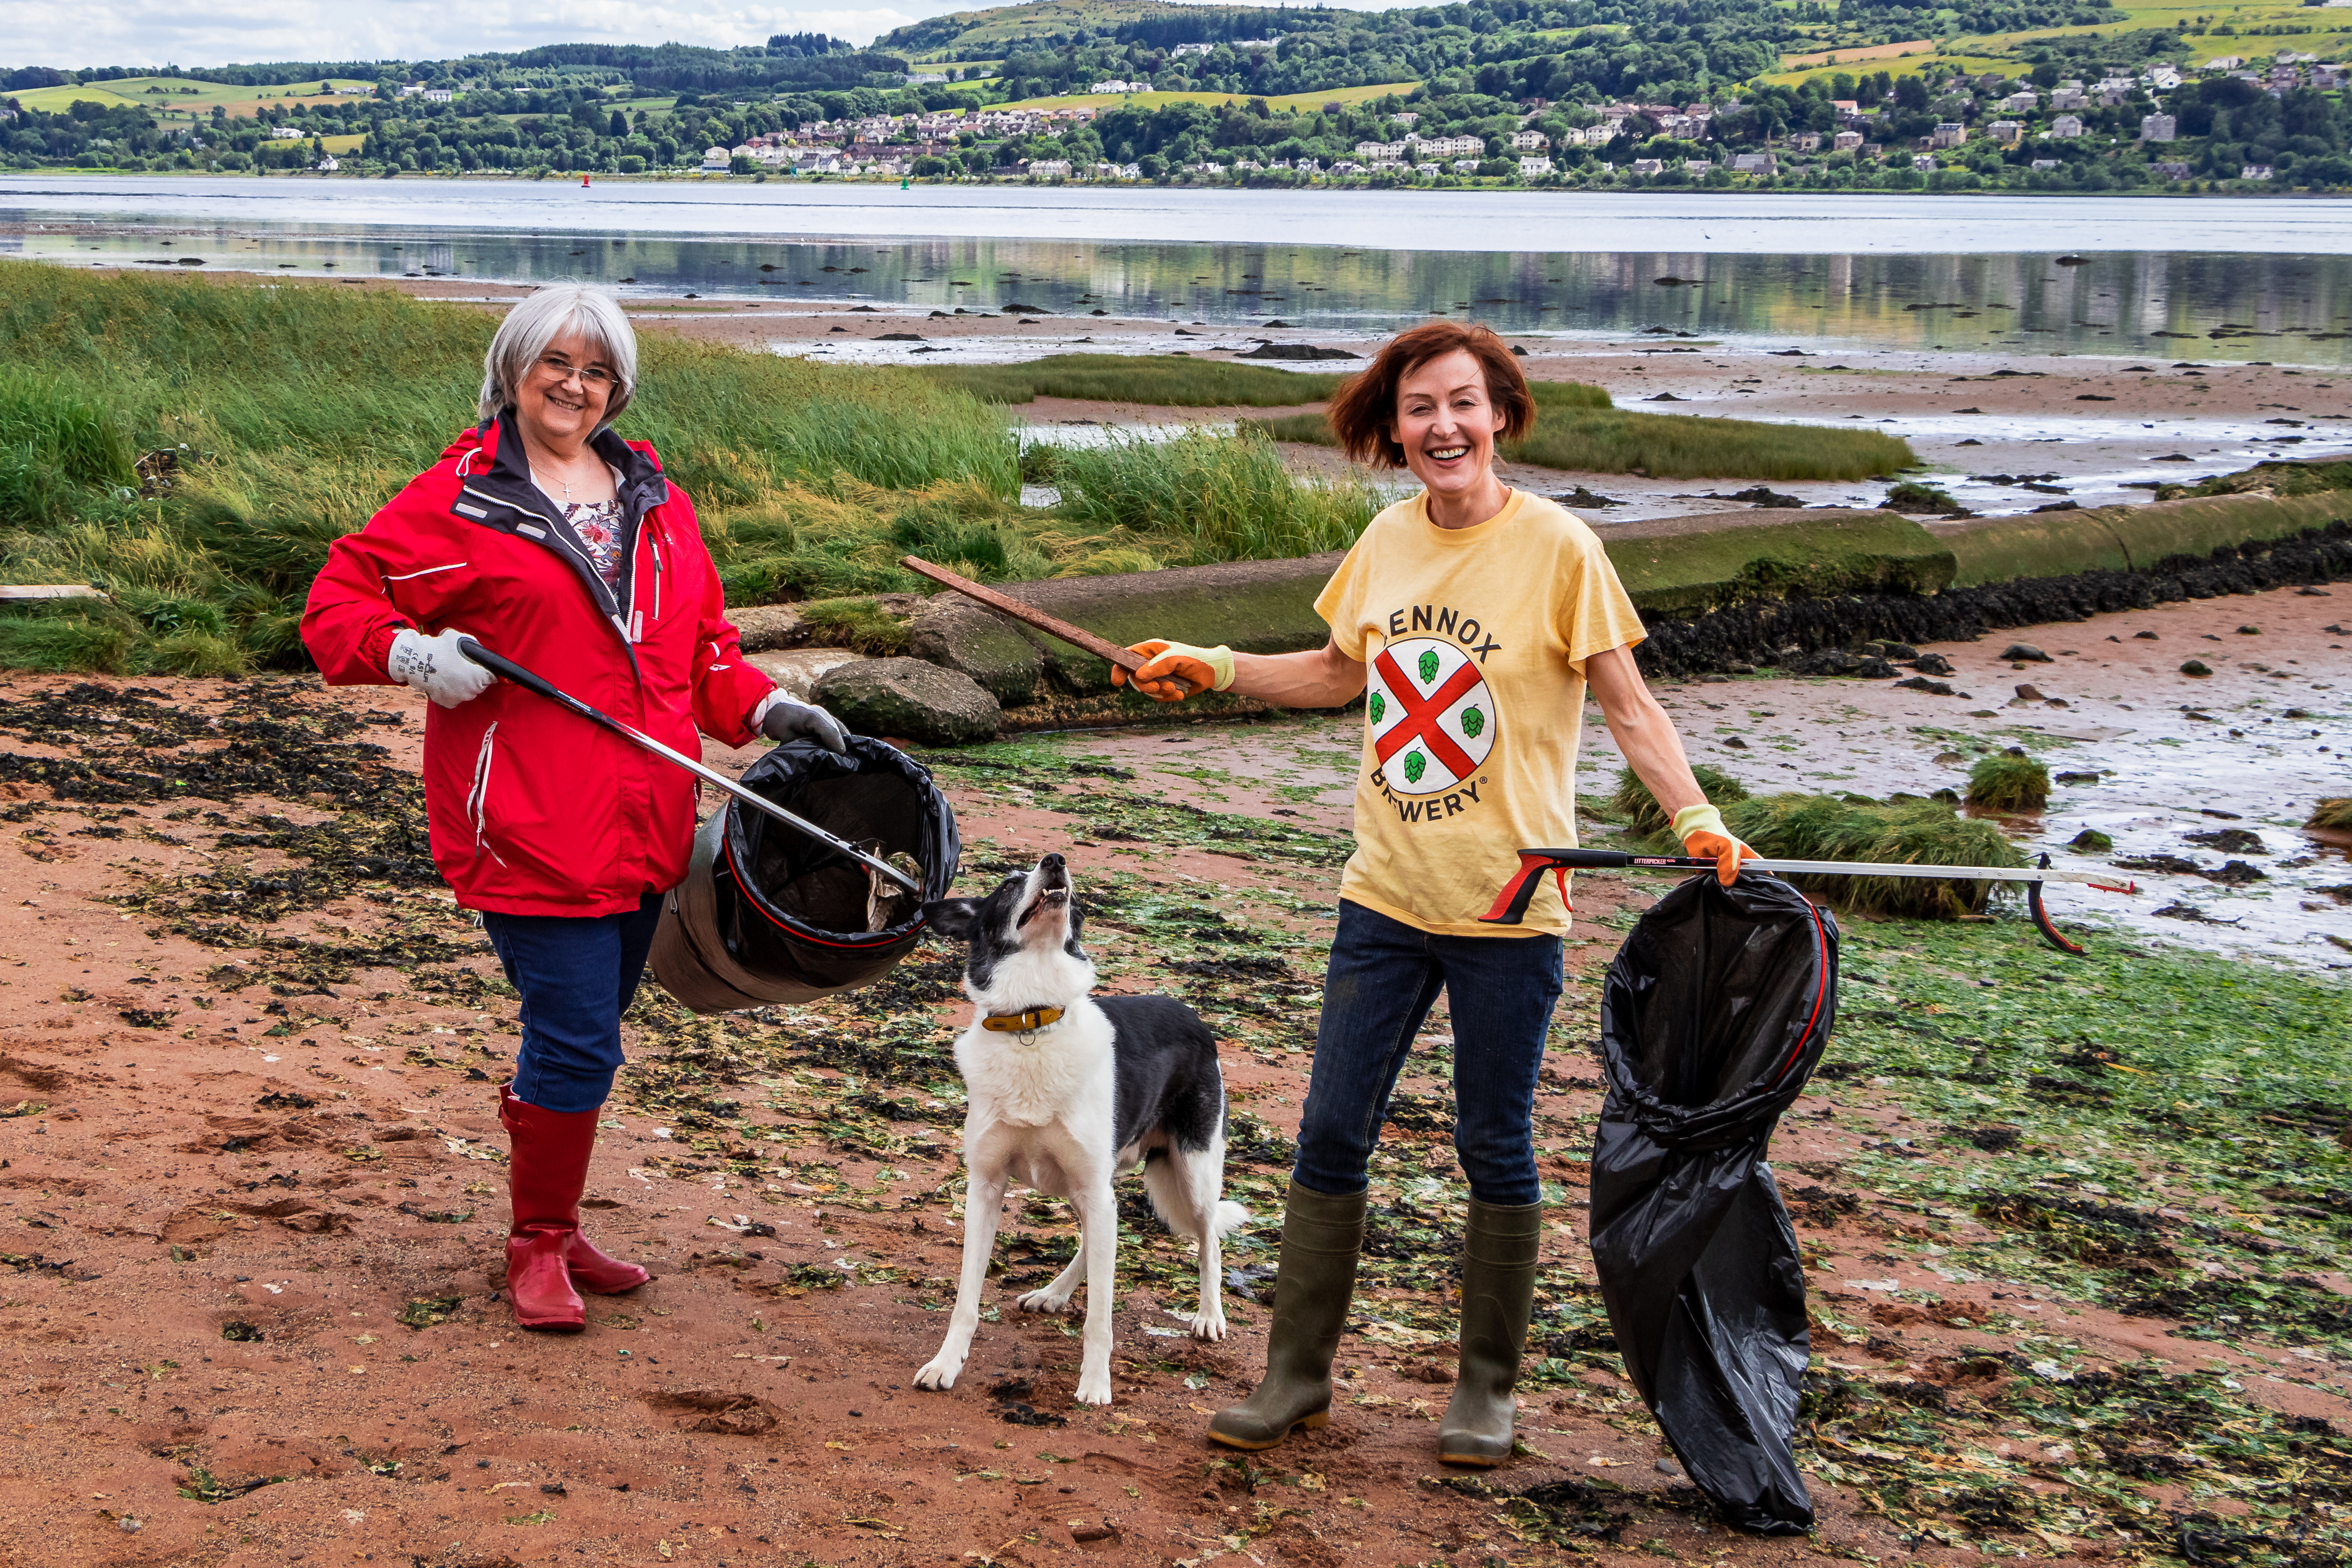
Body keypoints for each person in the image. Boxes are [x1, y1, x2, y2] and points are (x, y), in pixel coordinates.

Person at [1110, 321, 1755, 1466]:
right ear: (1393, 426)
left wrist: (1694, 816)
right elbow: (1335, 672)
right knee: (1329, 1132)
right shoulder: (1385, 541)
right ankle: (1293, 1376)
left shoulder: (1558, 547)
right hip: (1385, 898)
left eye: (1462, 403)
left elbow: (1627, 702)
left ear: (1499, 410)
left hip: (1510, 906)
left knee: (1493, 1143)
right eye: (1418, 408)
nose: (1441, 426)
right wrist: (1209, 665)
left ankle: (1485, 1395)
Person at [302, 285, 848, 1332]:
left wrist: (771, 707)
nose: (574, 384)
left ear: (619, 388)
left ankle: (551, 1217)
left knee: (586, 1032)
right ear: (513, 368)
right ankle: (537, 1243)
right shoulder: (456, 502)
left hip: (649, 822)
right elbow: (336, 604)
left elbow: (700, 654)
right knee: (577, 1039)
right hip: (526, 824)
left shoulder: (657, 502)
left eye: (596, 370)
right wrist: (413, 653)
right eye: (554, 360)